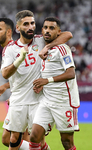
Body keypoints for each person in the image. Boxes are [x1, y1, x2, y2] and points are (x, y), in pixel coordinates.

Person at [0, 10, 73, 150]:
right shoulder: (10, 49)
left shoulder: (41, 40)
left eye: (32, 23)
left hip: (38, 99)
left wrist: (47, 47)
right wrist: (19, 59)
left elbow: (68, 35)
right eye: (26, 24)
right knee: (13, 139)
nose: (30, 27)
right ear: (18, 28)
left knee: (37, 140)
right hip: (19, 100)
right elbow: (5, 73)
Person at [29, 17, 79, 150]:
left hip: (63, 101)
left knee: (67, 142)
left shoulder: (62, 49)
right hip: (47, 101)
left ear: (58, 32)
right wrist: (42, 84)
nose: (47, 30)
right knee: (34, 137)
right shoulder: (41, 46)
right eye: (45, 27)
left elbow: (71, 73)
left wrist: (47, 81)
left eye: (51, 28)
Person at [0, 17, 30, 149]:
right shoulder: (8, 50)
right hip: (19, 97)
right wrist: (7, 87)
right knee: (17, 139)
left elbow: (27, 75)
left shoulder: (14, 49)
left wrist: (16, 94)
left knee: (9, 138)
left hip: (25, 99)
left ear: (9, 32)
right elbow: (20, 77)